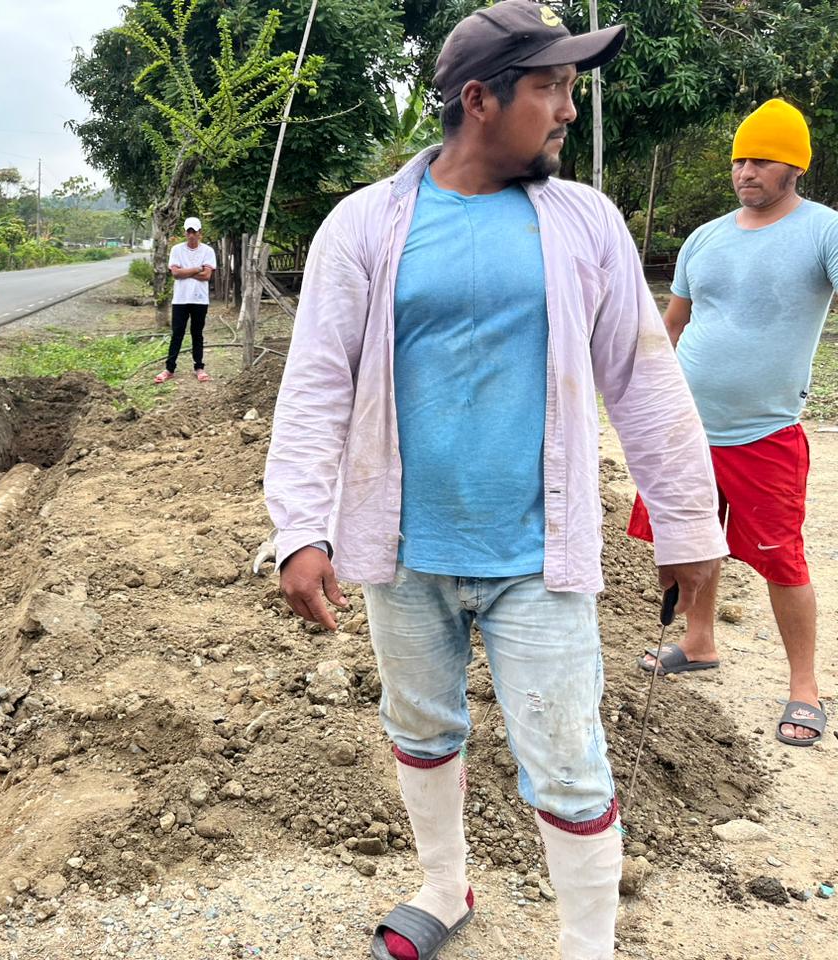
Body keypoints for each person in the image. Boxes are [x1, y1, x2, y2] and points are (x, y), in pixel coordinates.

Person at [265, 3, 726, 959]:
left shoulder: (584, 222)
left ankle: (586, 945)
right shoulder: (366, 224)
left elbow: (644, 378)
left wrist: (688, 530)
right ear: (480, 100)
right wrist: (300, 528)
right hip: (403, 550)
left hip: (537, 555)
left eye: (570, 87)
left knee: (568, 761)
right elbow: (316, 382)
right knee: (421, 726)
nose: (568, 109)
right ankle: (444, 888)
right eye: (551, 87)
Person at [630, 99, 836, 747]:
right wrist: (645, 400)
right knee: (688, 542)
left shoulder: (823, 231)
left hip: (764, 432)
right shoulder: (706, 237)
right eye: (739, 159)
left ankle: (805, 687)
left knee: (782, 560)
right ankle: (698, 641)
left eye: (762, 160)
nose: (746, 171)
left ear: (795, 167)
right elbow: (673, 325)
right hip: (684, 429)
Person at [155, 216, 217, 384]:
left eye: (194, 232)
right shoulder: (177, 250)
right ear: (185, 233)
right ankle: (169, 369)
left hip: (200, 299)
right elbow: (175, 273)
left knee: (197, 334)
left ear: (200, 233)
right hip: (180, 299)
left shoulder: (207, 251)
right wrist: (197, 269)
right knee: (177, 334)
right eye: (188, 232)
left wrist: (186, 272)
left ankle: (199, 367)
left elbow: (207, 276)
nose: (191, 235)